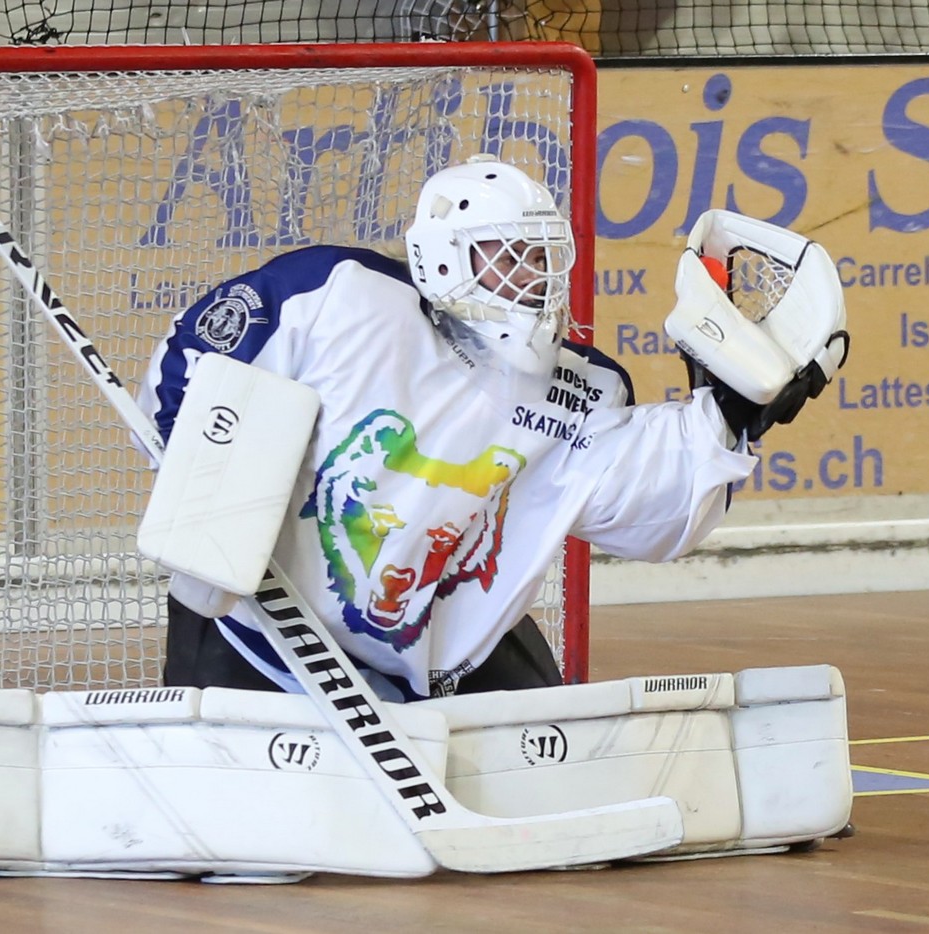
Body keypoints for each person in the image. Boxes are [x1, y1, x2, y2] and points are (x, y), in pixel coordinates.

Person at [135, 154, 834, 703]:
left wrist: (730, 414)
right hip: (261, 632)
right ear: (442, 257)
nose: (533, 279)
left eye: (543, 259)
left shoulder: (581, 388)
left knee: (551, 779)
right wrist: (212, 503)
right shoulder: (338, 296)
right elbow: (188, 368)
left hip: (443, 650)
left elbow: (654, 515)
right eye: (508, 255)